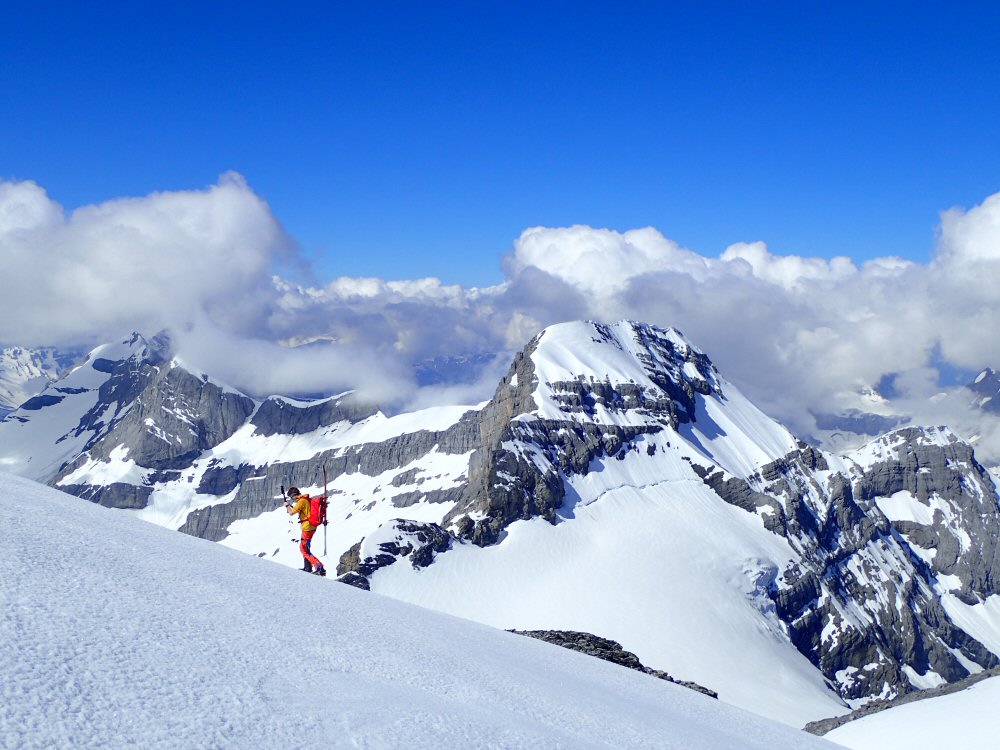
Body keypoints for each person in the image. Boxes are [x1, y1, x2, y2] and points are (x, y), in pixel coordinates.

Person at [285, 486, 326, 576]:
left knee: (304, 549)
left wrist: (287, 506)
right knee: (305, 547)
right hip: (311, 526)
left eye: (292, 497)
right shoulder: (306, 499)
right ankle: (308, 567)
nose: (292, 499)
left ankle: (319, 568)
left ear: (294, 495)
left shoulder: (301, 501)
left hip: (307, 528)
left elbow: (291, 512)